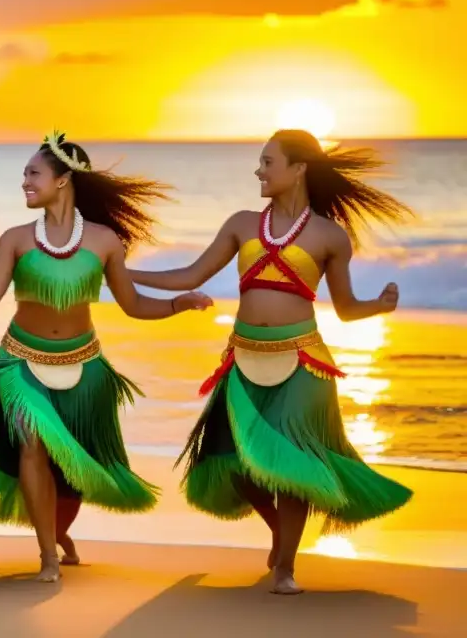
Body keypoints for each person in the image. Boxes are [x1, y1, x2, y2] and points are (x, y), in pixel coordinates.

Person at [127, 129, 414, 595]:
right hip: (242, 360)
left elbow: (345, 307)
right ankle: (283, 537)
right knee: (239, 465)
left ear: (298, 168)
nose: (258, 171)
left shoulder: (329, 236)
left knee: (294, 467)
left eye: (267, 162)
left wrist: (379, 306)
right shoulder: (242, 223)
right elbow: (191, 273)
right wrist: (123, 271)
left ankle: (285, 567)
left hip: (303, 362)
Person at [0, 132, 212, 582]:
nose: (24, 182)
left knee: (71, 466)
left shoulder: (105, 241)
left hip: (83, 365)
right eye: (24, 174)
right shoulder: (16, 240)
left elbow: (133, 304)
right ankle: (47, 557)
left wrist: (178, 304)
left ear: (62, 180)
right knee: (32, 447)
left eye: (33, 173)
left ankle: (58, 533)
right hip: (20, 364)